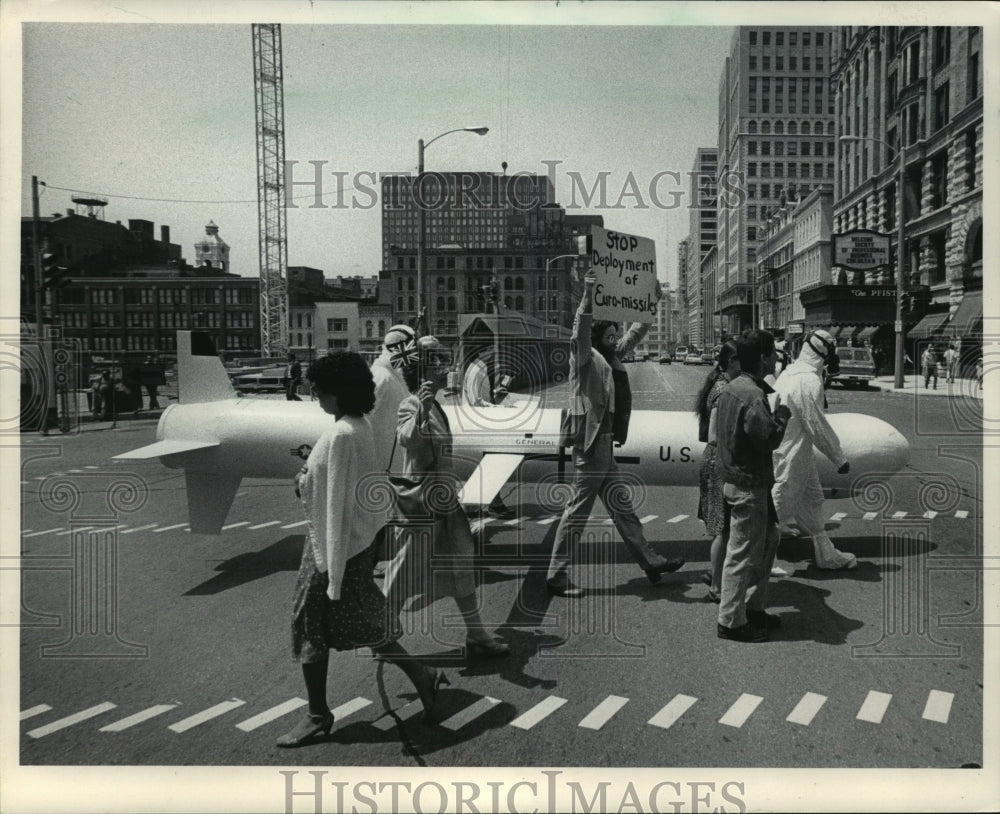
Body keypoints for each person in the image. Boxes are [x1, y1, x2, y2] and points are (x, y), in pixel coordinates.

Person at [277, 351, 448, 748]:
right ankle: (423, 679)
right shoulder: (356, 425)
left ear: (338, 392)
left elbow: (333, 497)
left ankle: (318, 714)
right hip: (348, 544)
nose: (314, 394)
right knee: (362, 625)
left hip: (330, 547)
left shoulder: (340, 434)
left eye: (320, 389)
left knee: (312, 623)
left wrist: (304, 481)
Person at [546, 271, 684, 599]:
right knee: (578, 512)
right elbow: (580, 327)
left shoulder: (612, 355)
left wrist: (651, 300)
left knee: (623, 508)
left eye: (615, 330)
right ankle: (556, 574)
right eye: (608, 329)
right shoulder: (583, 357)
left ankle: (650, 562)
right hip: (591, 445)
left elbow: (638, 330)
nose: (615, 333)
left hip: (604, 446)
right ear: (596, 332)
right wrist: (588, 295)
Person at [389, 335, 511, 658]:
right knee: (403, 572)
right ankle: (379, 632)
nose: (446, 368)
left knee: (462, 565)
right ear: (424, 370)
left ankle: (477, 634)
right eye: (439, 362)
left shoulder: (437, 406)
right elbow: (407, 440)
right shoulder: (412, 404)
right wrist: (421, 411)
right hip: (421, 503)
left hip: (445, 501)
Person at [715, 329, 791, 643]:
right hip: (749, 484)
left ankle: (753, 607)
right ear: (761, 358)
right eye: (772, 353)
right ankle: (731, 622)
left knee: (770, 538)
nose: (776, 358)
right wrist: (782, 417)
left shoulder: (734, 387)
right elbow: (768, 437)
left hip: (738, 481)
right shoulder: (752, 395)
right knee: (742, 554)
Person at [772, 329, 856, 571]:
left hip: (793, 450)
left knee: (813, 500)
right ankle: (757, 564)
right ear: (825, 352)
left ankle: (826, 554)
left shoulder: (789, 373)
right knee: (779, 505)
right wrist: (838, 458)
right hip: (791, 452)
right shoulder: (808, 380)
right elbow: (815, 423)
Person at [694, 340, 740, 603]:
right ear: (733, 362)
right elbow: (714, 435)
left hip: (713, 462)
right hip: (718, 463)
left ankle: (715, 575)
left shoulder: (718, 384)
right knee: (722, 530)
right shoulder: (724, 390)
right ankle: (717, 588)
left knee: (721, 528)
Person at [460, 350, 516, 520]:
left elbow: (480, 396)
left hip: (478, 421)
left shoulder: (479, 367)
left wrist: (496, 395)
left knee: (483, 464)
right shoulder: (478, 370)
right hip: (478, 422)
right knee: (492, 461)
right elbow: (475, 400)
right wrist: (497, 408)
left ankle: (470, 506)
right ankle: (495, 505)